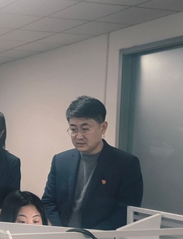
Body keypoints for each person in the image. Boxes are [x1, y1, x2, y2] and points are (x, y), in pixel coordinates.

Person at [42, 96, 143, 230]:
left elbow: (125, 212)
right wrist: (60, 231)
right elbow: (48, 202)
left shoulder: (126, 164)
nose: (78, 136)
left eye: (85, 129)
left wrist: (89, 236)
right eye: (73, 129)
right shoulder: (60, 161)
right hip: (61, 236)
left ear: (103, 127)